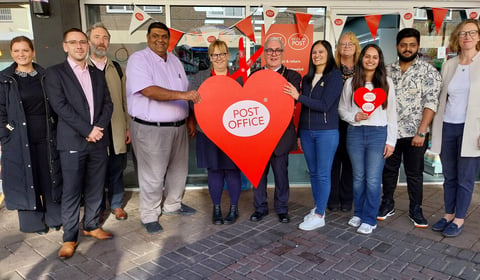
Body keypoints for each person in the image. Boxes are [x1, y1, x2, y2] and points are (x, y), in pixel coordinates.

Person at [126, 22, 201, 234]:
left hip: (178, 127)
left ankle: (172, 205)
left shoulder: (175, 61)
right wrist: (183, 96)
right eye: (155, 36)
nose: (160, 40)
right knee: (153, 174)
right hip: (152, 128)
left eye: (164, 37)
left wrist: (190, 119)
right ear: (148, 38)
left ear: (169, 39)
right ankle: (149, 214)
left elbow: (185, 89)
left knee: (179, 170)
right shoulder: (138, 59)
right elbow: (149, 90)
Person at [45, 28, 114, 259]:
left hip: (97, 140)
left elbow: (108, 104)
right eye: (73, 42)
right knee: (72, 191)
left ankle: (92, 225)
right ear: (65, 46)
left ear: (87, 45)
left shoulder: (96, 73)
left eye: (83, 42)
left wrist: (98, 130)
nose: (79, 46)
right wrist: (87, 130)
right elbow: (60, 106)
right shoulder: (55, 73)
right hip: (73, 142)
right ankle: (70, 237)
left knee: (96, 187)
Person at [378, 28, 441, 227]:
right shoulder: (386, 70)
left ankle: (416, 209)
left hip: (416, 134)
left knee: (414, 174)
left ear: (417, 47)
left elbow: (431, 102)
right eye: (404, 45)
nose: (407, 49)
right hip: (391, 133)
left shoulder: (428, 71)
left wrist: (422, 131)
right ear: (397, 46)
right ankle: (387, 203)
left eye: (412, 45)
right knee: (389, 170)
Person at [0, 36, 62, 234]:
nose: (21, 54)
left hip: (46, 135)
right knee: (26, 178)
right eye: (17, 51)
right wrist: (6, 134)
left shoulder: (45, 75)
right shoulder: (4, 79)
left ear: (33, 52)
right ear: (12, 54)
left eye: (25, 50)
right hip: (18, 138)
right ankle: (33, 223)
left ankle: (54, 217)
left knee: (49, 176)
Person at [284, 40, 343, 230]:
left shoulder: (334, 76)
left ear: (329, 54)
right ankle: (318, 208)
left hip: (326, 132)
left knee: (324, 174)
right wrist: (301, 133)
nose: (317, 55)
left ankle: (320, 215)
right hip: (307, 133)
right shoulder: (307, 78)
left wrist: (298, 97)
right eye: (314, 52)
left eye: (321, 52)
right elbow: (304, 110)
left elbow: (325, 105)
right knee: (314, 173)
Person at [338, 44, 397, 235]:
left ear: (379, 60)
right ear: (361, 58)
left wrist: (391, 141)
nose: (370, 60)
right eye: (367, 56)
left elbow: (392, 114)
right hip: (355, 133)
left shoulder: (386, 83)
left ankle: (370, 219)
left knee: (372, 179)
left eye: (374, 57)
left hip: (378, 134)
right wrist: (353, 117)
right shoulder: (351, 83)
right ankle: (359, 213)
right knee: (358, 178)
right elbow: (342, 109)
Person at [430, 19, 480, 237]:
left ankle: (459, 219)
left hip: (472, 129)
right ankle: (449, 214)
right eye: (462, 33)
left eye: (471, 33)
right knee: (449, 176)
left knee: (465, 177)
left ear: (479, 36)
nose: (466, 37)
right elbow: (443, 98)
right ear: (457, 38)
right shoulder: (450, 64)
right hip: (448, 125)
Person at [190, 40, 242, 225]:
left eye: (222, 54)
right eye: (214, 55)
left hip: (232, 134)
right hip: (208, 132)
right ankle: (217, 209)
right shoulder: (200, 78)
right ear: (210, 57)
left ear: (228, 55)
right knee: (214, 171)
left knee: (232, 171)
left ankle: (234, 209)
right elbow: (191, 103)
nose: (218, 58)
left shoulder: (238, 77)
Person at [249, 37, 301, 224]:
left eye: (277, 50)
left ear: (282, 53)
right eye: (269, 50)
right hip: (259, 137)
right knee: (259, 176)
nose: (273, 54)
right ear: (264, 53)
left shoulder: (293, 76)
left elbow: (289, 102)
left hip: (281, 136)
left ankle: (282, 208)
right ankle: (260, 208)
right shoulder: (253, 75)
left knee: (281, 175)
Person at [87, 23, 130, 222]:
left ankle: (116, 204)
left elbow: (124, 100)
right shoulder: (82, 67)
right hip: (93, 130)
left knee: (116, 169)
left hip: (117, 128)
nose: (101, 41)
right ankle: (98, 207)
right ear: (89, 41)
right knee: (95, 172)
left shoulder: (117, 68)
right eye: (96, 37)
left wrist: (128, 127)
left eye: (105, 37)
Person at [328, 31, 361, 212]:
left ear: (356, 47)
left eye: (350, 43)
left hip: (354, 122)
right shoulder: (331, 69)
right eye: (343, 43)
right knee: (333, 161)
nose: (346, 46)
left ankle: (347, 199)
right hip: (333, 120)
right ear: (338, 48)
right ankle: (332, 199)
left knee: (350, 162)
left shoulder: (363, 70)